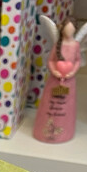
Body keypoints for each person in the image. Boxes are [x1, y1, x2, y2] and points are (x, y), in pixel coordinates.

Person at [33, 16, 81, 144]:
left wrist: (72, 72)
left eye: (71, 30)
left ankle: (64, 132)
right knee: (50, 104)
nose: (69, 32)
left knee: (65, 106)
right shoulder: (57, 45)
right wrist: (54, 71)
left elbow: (77, 61)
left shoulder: (76, 45)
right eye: (67, 30)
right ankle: (43, 131)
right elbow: (51, 60)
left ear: (75, 30)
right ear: (62, 30)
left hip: (69, 82)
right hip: (55, 81)